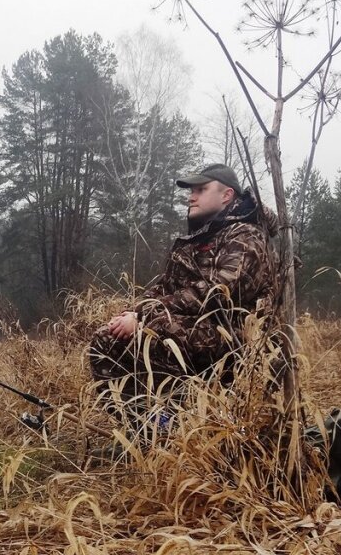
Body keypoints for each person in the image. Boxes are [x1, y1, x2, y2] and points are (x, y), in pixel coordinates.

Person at [88, 163, 277, 422]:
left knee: (154, 328)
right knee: (106, 340)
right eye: (191, 190)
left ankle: (182, 424)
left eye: (201, 189)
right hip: (193, 330)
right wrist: (133, 310)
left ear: (227, 195)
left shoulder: (247, 236)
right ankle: (146, 431)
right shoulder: (199, 237)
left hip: (235, 338)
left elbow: (218, 294)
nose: (191, 196)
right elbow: (165, 285)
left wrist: (144, 316)